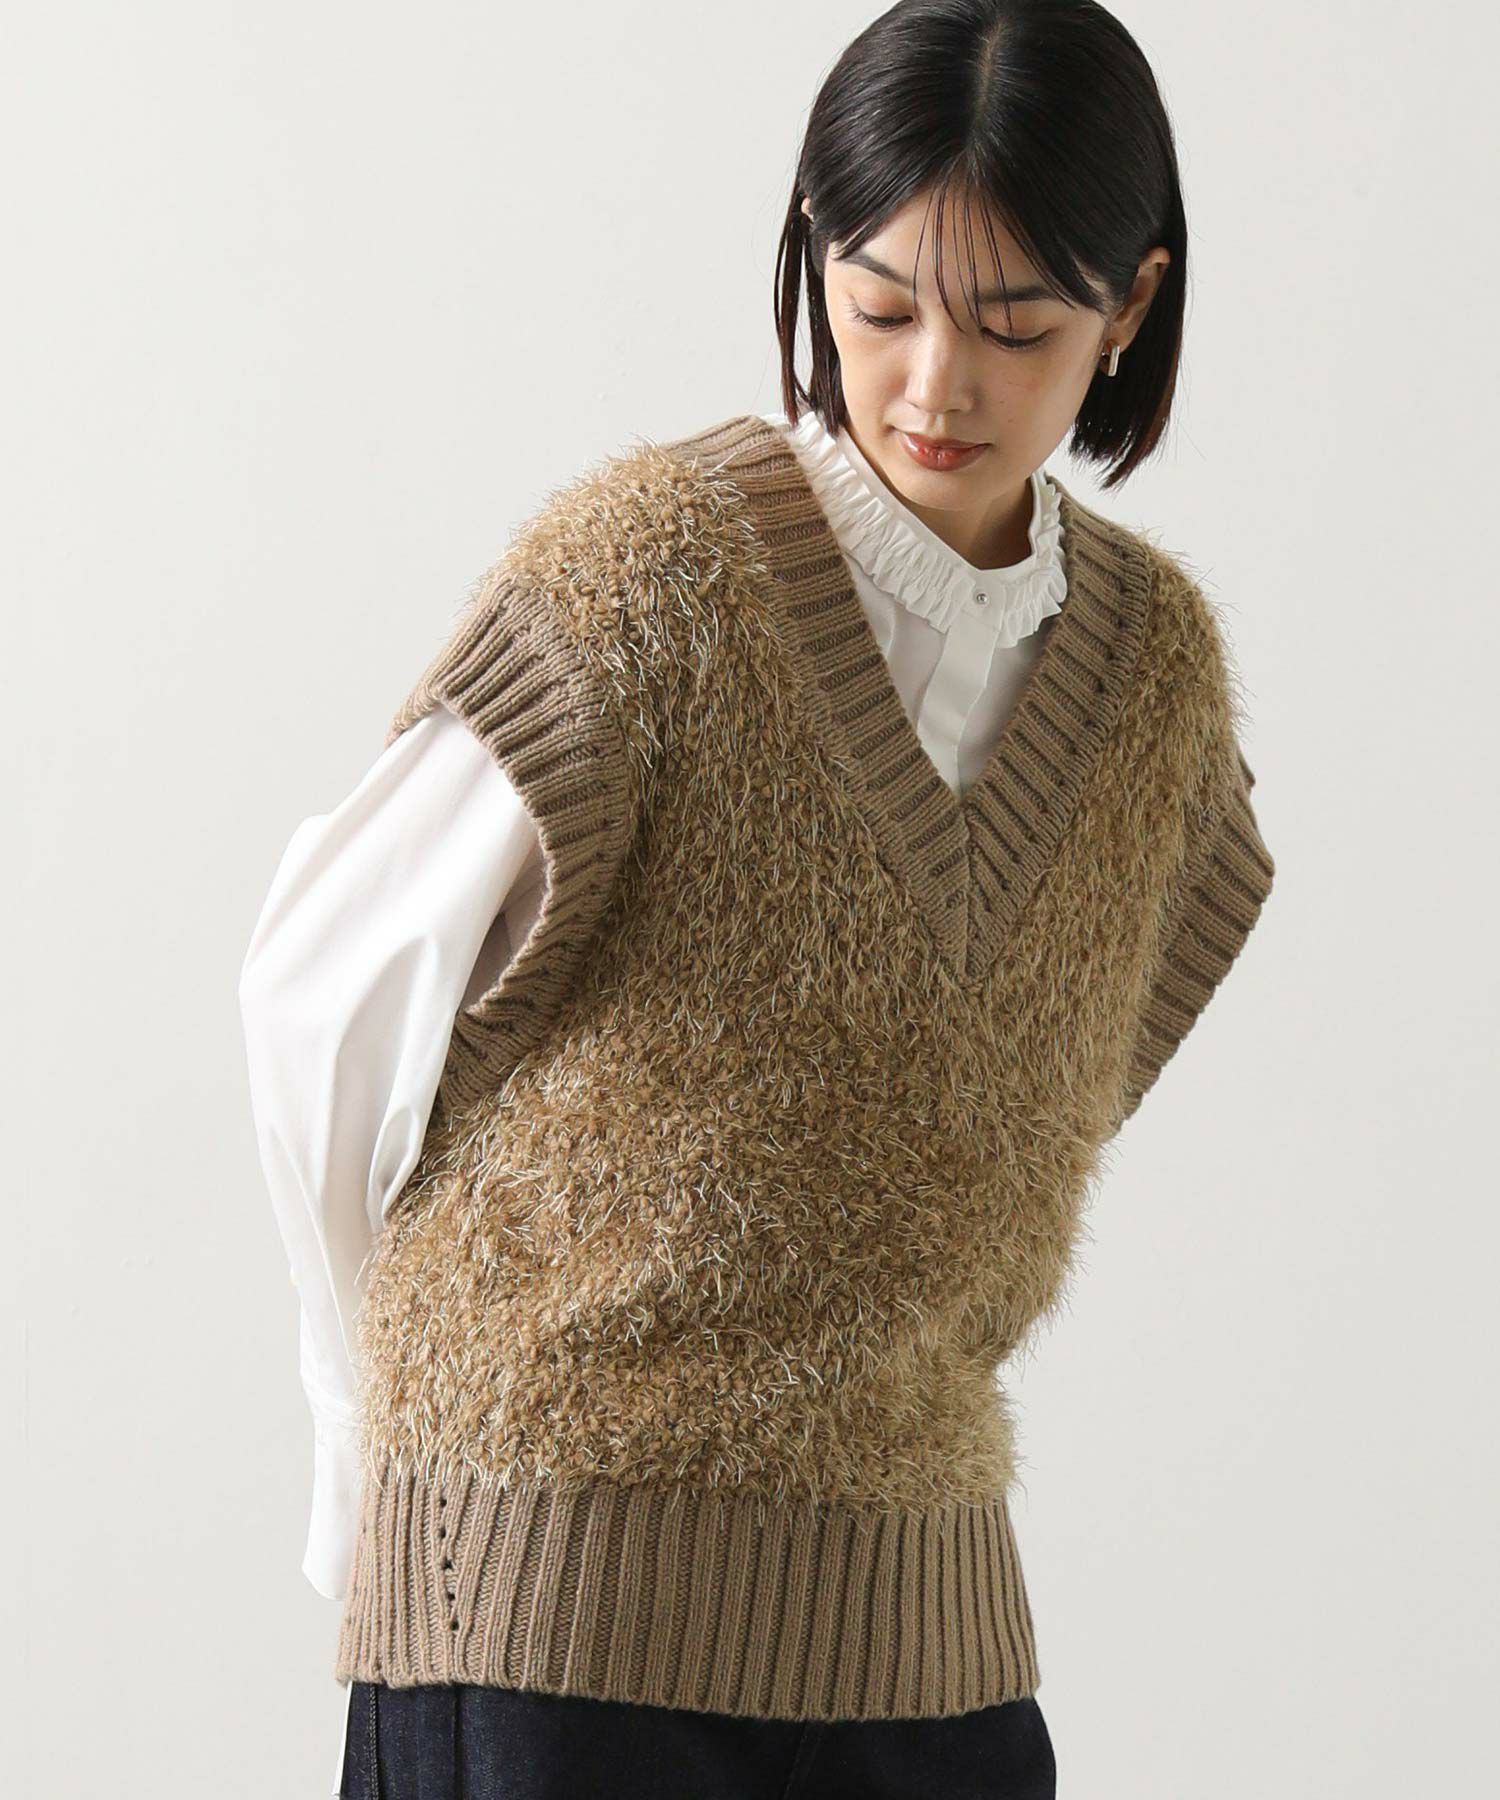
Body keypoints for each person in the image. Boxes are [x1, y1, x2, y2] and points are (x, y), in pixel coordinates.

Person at [238, 3, 1276, 1795]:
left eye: (1016, 323)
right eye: (880, 306)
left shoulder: (1154, 678)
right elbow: (318, 1003)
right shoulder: (647, 581)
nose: (936, 386)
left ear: (1130, 307)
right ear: (813, 256)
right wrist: (365, 1454)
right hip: (549, 1601)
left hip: (922, 1626)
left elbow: (1040, 1086)